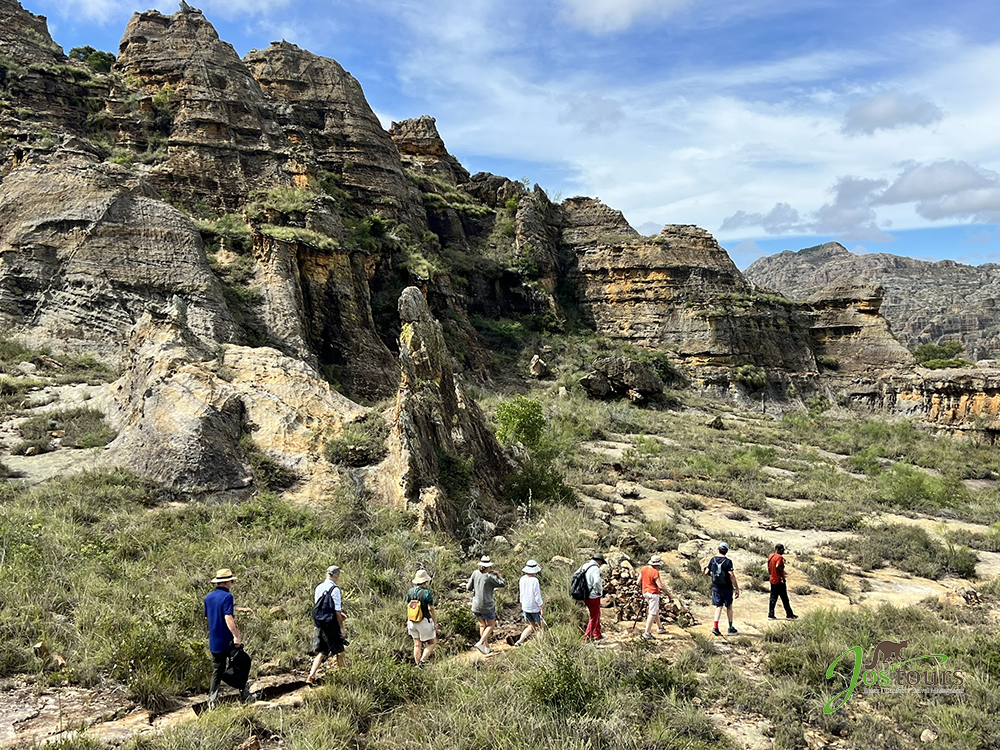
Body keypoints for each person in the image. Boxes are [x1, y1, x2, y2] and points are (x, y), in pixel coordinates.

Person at [204, 568, 249, 706]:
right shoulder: (227, 597)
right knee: (241, 662)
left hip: (214, 640)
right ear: (226, 582)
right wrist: (236, 636)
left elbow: (207, 617)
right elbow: (228, 617)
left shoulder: (208, 597)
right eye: (231, 581)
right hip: (227, 639)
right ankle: (244, 694)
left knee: (217, 669)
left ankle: (212, 700)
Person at [307, 565, 346, 685]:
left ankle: (311, 676)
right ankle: (344, 677)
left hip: (321, 623)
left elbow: (319, 606)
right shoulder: (335, 589)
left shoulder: (318, 587)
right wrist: (341, 628)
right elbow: (337, 611)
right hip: (332, 625)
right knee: (340, 651)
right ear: (336, 575)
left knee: (323, 651)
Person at [466, 555, 506, 654]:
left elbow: (468, 587)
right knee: (491, 625)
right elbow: (502, 583)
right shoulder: (489, 577)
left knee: (482, 625)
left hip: (476, 605)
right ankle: (481, 642)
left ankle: (486, 647)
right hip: (487, 605)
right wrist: (497, 575)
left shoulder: (475, 573)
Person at [704, 542, 739, 636]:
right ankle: (730, 628)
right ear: (726, 551)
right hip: (726, 587)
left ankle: (715, 627)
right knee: (729, 606)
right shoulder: (728, 561)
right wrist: (736, 588)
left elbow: (706, 572)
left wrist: (714, 576)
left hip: (716, 586)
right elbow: (731, 575)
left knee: (718, 606)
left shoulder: (713, 560)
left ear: (718, 549)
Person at [406, 569, 438, 667]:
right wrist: (435, 622)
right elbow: (431, 608)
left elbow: (408, 606)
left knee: (417, 644)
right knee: (432, 642)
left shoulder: (410, 591)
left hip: (412, 621)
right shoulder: (427, 592)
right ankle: (422, 662)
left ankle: (417, 664)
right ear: (425, 581)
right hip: (424, 621)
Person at [510, 559, 544, 646]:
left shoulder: (522, 579)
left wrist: (522, 603)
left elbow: (521, 593)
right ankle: (540, 644)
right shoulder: (534, 580)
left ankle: (519, 641)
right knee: (540, 626)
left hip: (525, 606)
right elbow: (537, 595)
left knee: (531, 626)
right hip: (534, 607)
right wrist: (541, 607)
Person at [575, 553, 605, 641]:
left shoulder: (584, 566)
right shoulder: (595, 568)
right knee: (594, 616)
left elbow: (576, 576)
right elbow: (596, 581)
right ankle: (587, 637)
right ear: (599, 561)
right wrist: (599, 591)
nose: (601, 564)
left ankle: (597, 634)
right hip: (593, 595)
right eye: (601, 562)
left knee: (596, 614)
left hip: (584, 594)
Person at [639, 555, 668, 640]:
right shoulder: (655, 572)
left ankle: (660, 627)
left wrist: (646, 586)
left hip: (645, 592)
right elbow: (660, 586)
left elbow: (638, 582)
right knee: (652, 613)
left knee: (655, 610)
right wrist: (669, 594)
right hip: (653, 593)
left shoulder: (643, 569)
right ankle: (647, 633)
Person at [767, 544, 798, 621]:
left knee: (773, 598)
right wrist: (782, 577)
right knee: (784, 598)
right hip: (779, 580)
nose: (783, 551)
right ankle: (789, 614)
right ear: (780, 549)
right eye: (783, 550)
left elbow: (769, 567)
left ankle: (771, 614)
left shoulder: (770, 556)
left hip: (772, 579)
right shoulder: (779, 557)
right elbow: (777, 566)